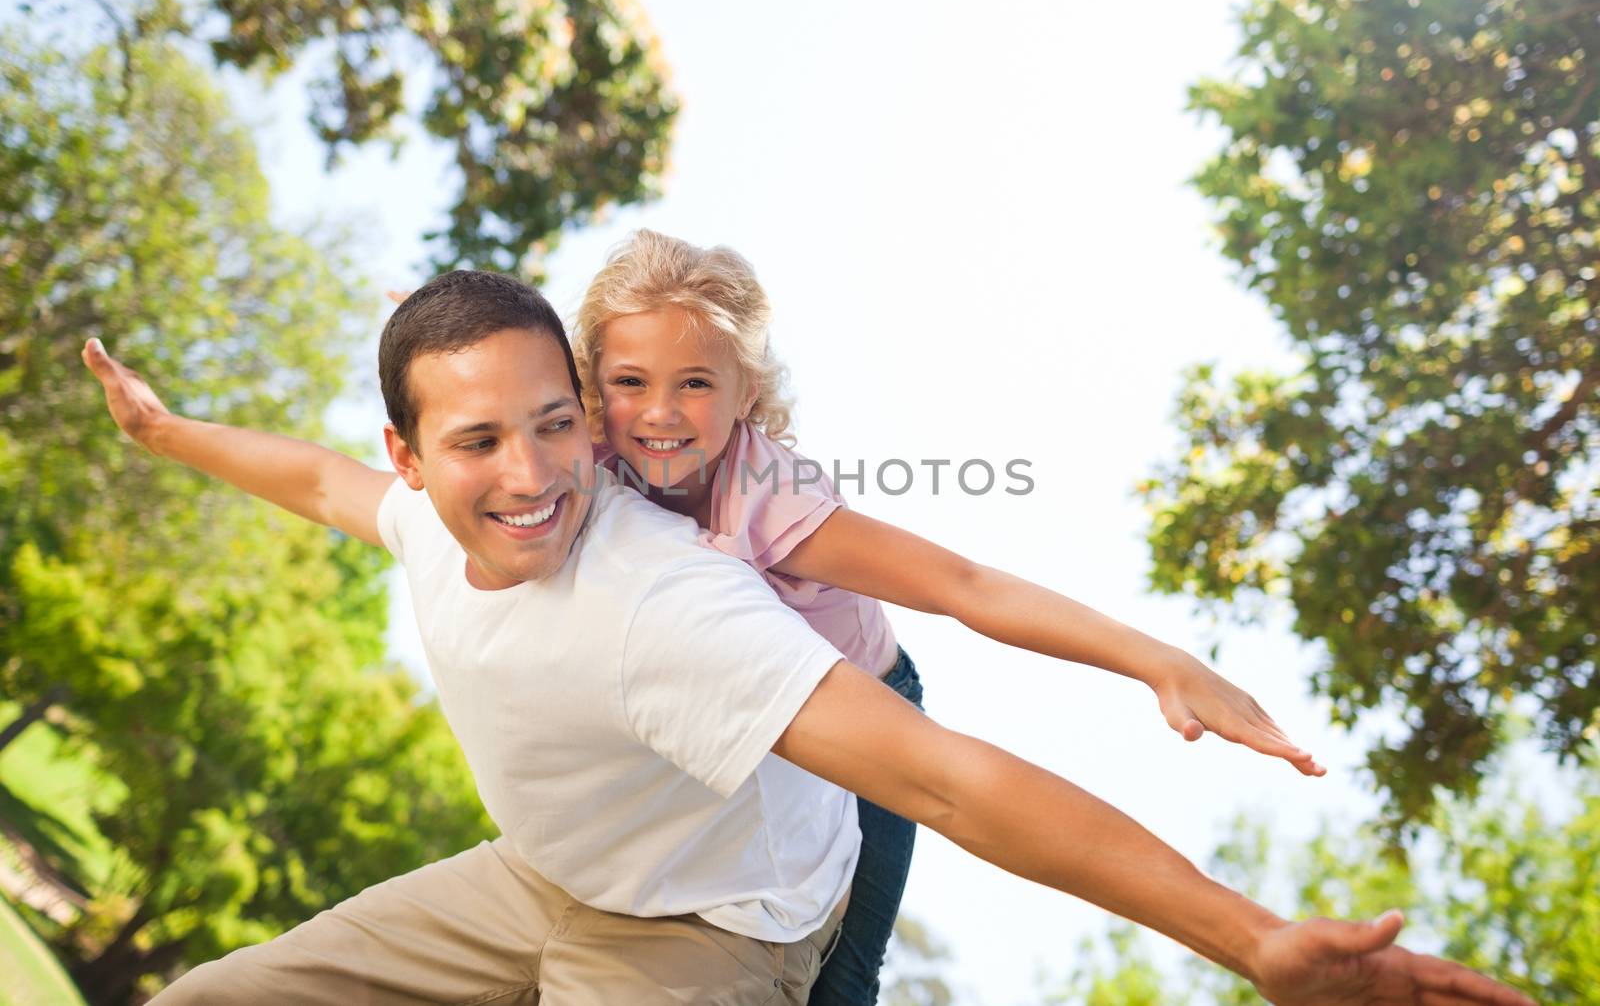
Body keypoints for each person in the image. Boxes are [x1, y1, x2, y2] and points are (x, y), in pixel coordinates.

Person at [82, 269, 1531, 1006]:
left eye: (555, 424)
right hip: (546, 869)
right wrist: (166, 431)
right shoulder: (415, 510)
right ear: (412, 454)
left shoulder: (681, 591)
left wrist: (1253, 932)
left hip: (713, 921)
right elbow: (315, 478)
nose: (531, 472)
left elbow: (952, 754)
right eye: (480, 440)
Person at [566, 229, 1324, 1005]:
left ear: (746, 395)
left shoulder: (770, 497)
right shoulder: (586, 457)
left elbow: (964, 585)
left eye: (695, 382)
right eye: (630, 380)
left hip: (871, 701)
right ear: (592, 383)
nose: (659, 411)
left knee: (845, 975)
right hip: (754, 723)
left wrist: (1159, 659)